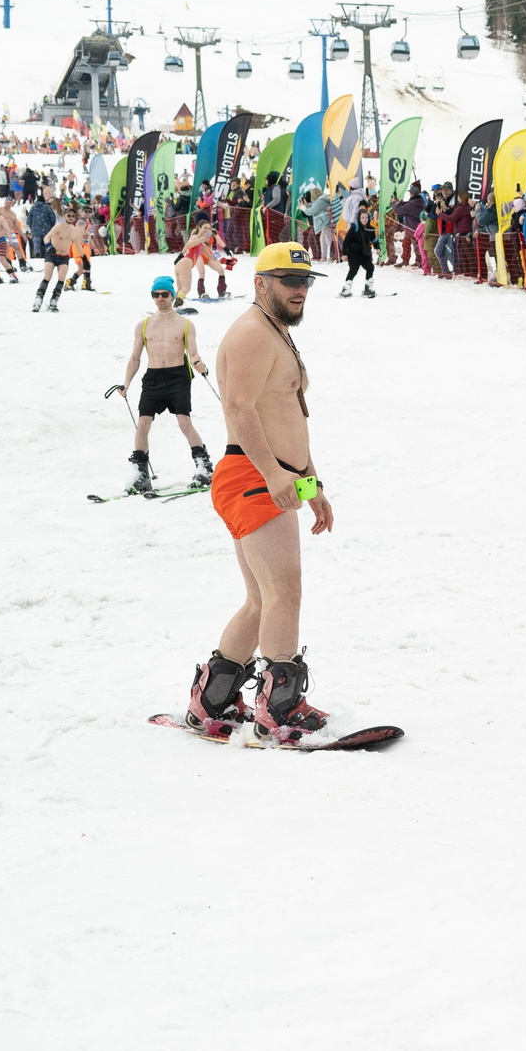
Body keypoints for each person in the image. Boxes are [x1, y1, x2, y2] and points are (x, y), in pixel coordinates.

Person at [184, 242, 338, 745]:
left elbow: (291, 420)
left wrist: (310, 484)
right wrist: (274, 475)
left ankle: (213, 699)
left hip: (269, 475)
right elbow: (240, 410)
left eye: (306, 281)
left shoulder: (275, 333)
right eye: (290, 280)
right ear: (261, 283)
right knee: (283, 593)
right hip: (253, 475)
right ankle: (280, 709)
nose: (300, 289)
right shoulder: (252, 333)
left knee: (260, 600)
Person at [115, 275, 215, 495]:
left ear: (172, 295)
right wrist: (126, 383)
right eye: (156, 295)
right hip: (153, 378)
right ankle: (140, 474)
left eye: (164, 294)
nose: (160, 298)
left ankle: (204, 467)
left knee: (184, 422)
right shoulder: (143, 326)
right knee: (142, 423)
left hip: (178, 376)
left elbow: (194, 353)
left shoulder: (185, 324)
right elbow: (135, 358)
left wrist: (199, 364)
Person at [340, 201, 377, 298]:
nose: (365, 220)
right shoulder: (354, 228)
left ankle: (368, 288)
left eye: (366, 217)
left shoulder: (371, 229)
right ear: (359, 218)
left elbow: (374, 239)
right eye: (362, 218)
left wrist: (378, 248)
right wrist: (345, 253)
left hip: (365, 254)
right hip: (354, 253)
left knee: (370, 267)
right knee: (353, 270)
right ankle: (346, 289)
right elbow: (346, 241)